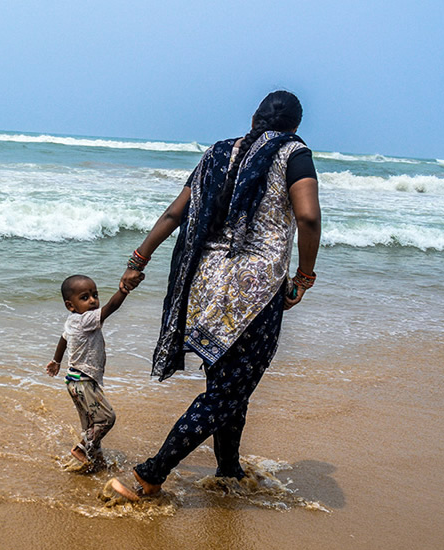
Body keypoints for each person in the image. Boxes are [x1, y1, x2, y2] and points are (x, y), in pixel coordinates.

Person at [109, 90, 321, 501]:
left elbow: (175, 213)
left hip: (205, 284)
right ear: (295, 125)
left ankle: (228, 469)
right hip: (256, 290)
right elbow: (308, 215)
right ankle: (149, 475)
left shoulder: (218, 153)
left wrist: (139, 258)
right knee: (227, 392)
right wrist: (305, 275)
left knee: (228, 384)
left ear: (255, 117)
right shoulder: (294, 152)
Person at [46, 274, 130, 467]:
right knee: (107, 419)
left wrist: (56, 361)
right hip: (84, 382)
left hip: (74, 381)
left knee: (91, 426)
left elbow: (64, 338)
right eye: (85, 297)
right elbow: (111, 308)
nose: (92, 301)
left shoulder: (72, 320)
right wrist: (123, 291)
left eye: (95, 295)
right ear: (70, 305)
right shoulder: (86, 319)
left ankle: (96, 461)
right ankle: (81, 449)